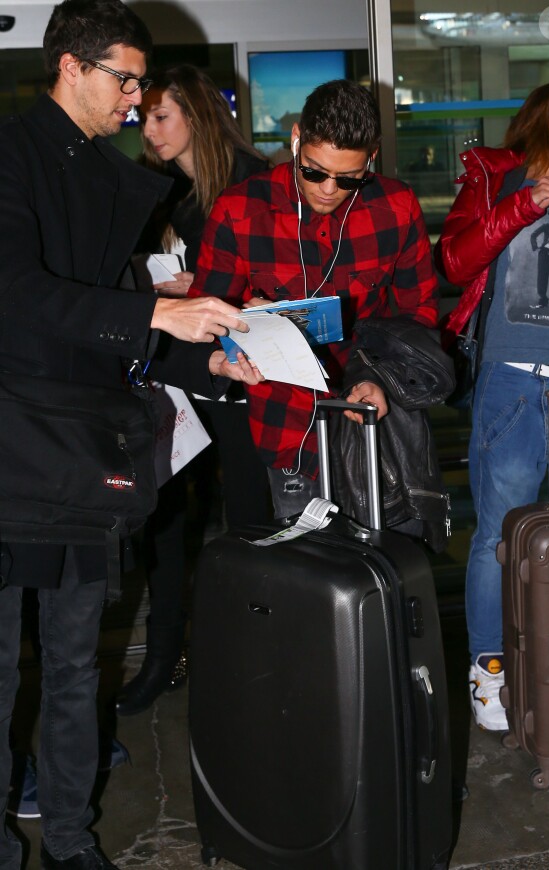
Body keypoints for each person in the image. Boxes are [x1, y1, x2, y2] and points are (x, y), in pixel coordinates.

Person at [0, 2, 262, 869]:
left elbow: (127, 331)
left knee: (76, 665)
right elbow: (20, 295)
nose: (136, 99)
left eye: (142, 83)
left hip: (82, 455)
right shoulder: (9, 156)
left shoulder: (109, 183)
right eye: (126, 79)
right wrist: (158, 310)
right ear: (71, 67)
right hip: (10, 447)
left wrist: (208, 366)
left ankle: (72, 840)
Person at [189, 78, 439, 520]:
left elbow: (417, 315)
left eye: (348, 178)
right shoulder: (240, 209)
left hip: (374, 429)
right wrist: (230, 339)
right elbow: (202, 316)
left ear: (372, 158)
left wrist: (379, 379)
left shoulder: (396, 207)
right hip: (289, 432)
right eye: (313, 171)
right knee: (311, 579)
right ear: (296, 139)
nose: (328, 189)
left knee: (382, 576)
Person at [115, 64, 271, 716]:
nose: (147, 129)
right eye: (144, 117)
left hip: (244, 380)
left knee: (252, 523)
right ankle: (165, 654)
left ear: (196, 115)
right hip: (182, 376)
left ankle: (260, 658)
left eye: (160, 116)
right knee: (167, 518)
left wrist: (204, 292)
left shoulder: (250, 182)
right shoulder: (172, 190)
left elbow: (275, 290)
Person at [435, 78, 549, 732]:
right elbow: (457, 261)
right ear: (543, 114)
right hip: (513, 378)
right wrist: (524, 204)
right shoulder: (496, 178)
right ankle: (488, 667)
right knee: (498, 531)